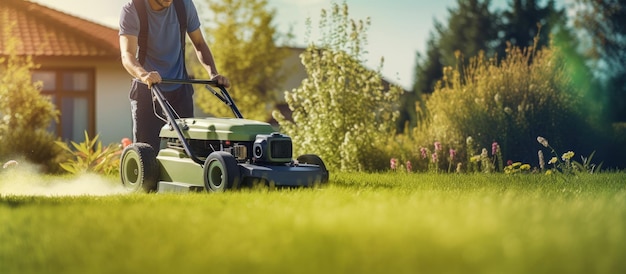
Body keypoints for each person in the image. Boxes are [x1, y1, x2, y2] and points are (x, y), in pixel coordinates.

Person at [119, 0, 230, 150]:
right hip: (147, 92)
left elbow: (199, 44)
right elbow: (127, 55)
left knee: (191, 151)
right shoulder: (133, 10)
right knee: (145, 152)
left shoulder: (183, 6)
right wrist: (144, 75)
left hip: (180, 90)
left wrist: (213, 73)